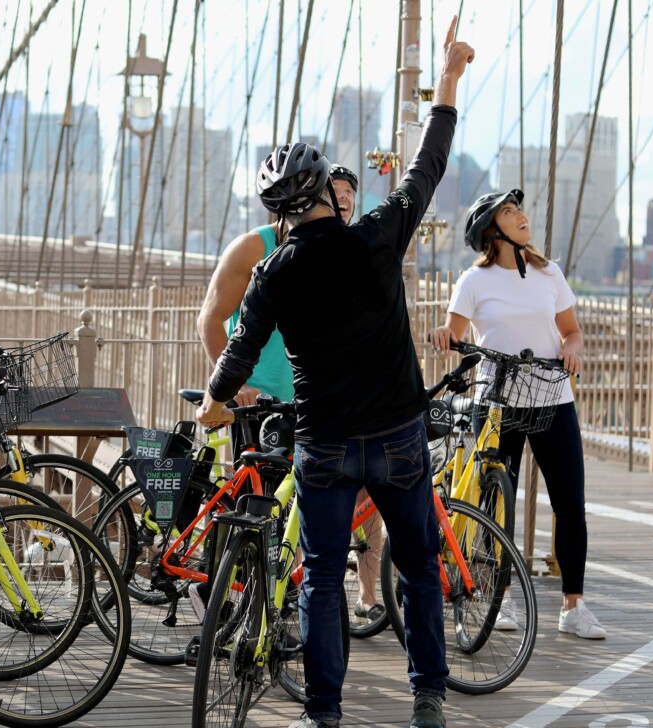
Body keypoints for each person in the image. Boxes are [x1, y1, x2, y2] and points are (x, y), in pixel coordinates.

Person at [197, 18, 473, 728]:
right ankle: (428, 698)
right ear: (326, 189)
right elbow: (427, 169)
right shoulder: (376, 237)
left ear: (279, 210)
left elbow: (236, 348)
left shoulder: (272, 273)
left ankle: (324, 714)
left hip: (322, 445)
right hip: (399, 437)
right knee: (418, 568)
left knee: (321, 577)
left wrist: (214, 404)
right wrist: (446, 80)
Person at [194, 165, 379, 621]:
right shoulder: (256, 246)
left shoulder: (344, 249)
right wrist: (235, 388)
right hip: (260, 404)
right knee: (263, 509)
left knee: (348, 502)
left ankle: (360, 597)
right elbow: (210, 319)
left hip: (321, 403)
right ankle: (239, 600)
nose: (337, 202)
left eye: (346, 195)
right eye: (328, 193)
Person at [429, 189, 604, 640]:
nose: (522, 216)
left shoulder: (549, 273)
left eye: (519, 209)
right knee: (494, 501)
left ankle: (574, 606)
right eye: (510, 212)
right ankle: (498, 598)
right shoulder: (474, 280)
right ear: (493, 230)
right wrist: (444, 334)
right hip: (499, 403)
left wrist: (571, 349)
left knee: (570, 505)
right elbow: (455, 330)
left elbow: (572, 332)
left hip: (552, 398)